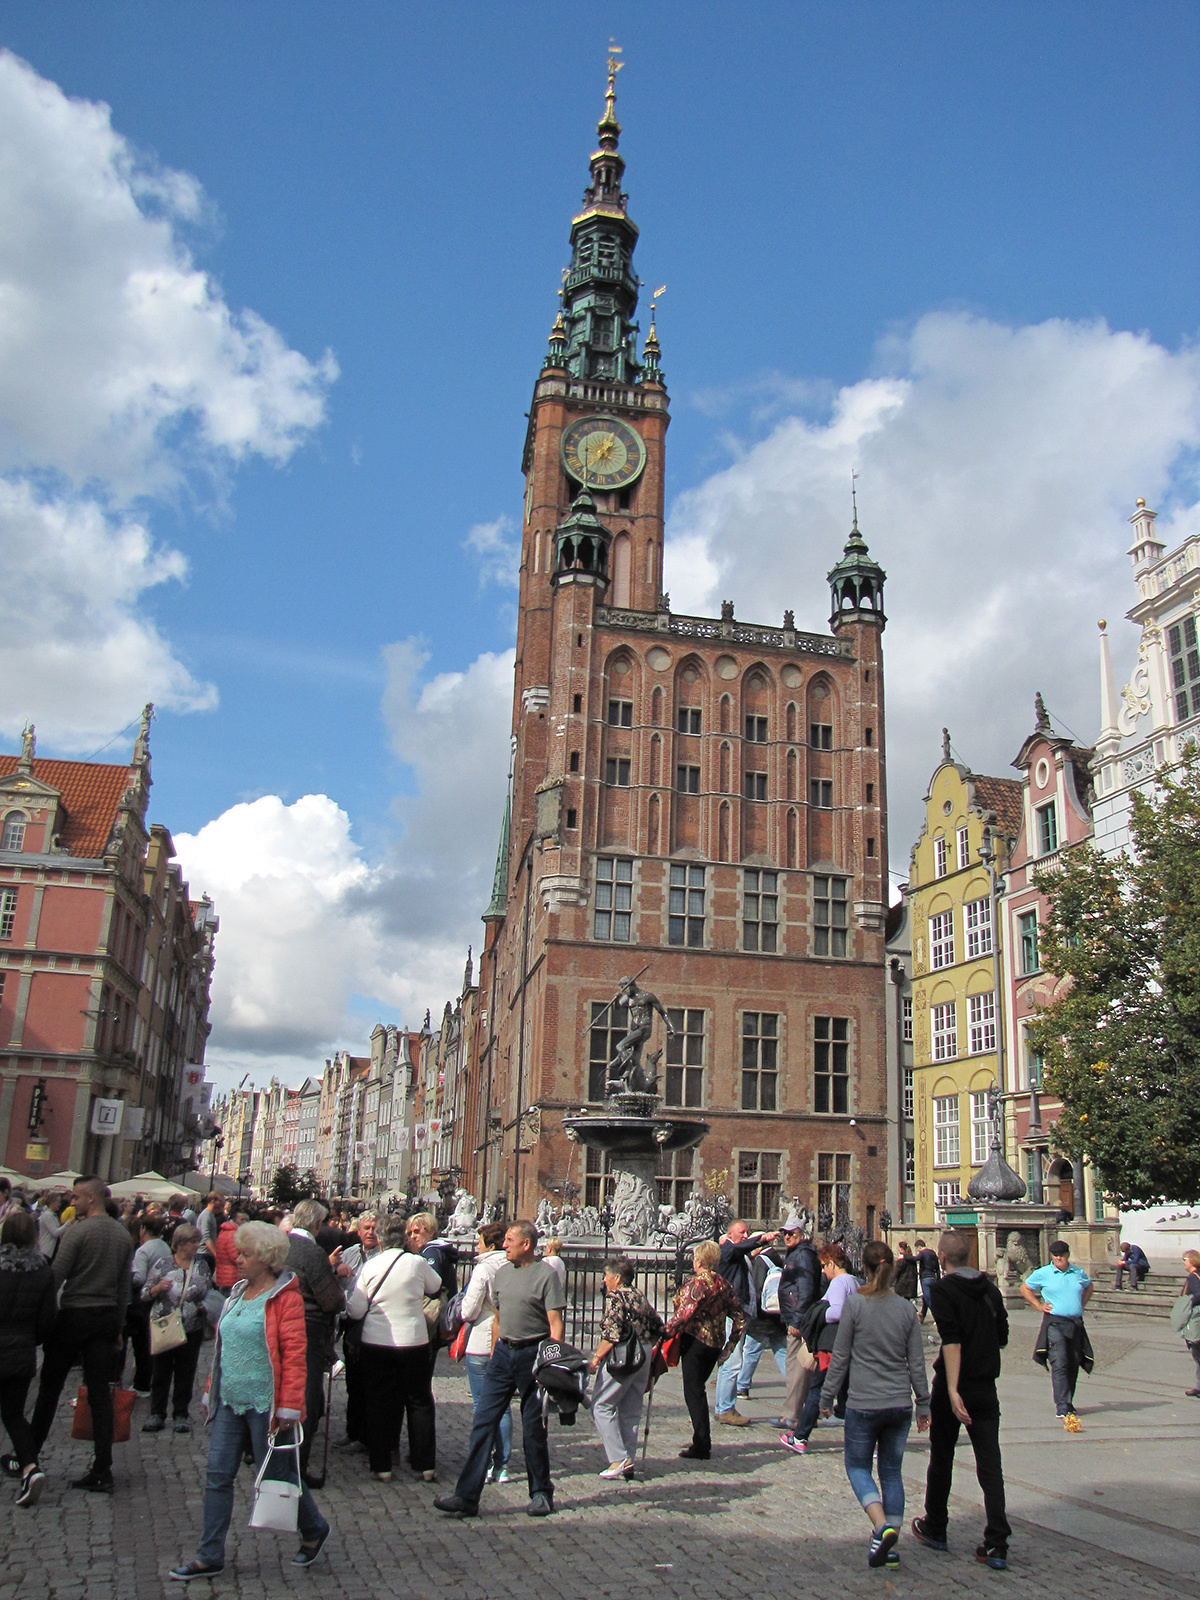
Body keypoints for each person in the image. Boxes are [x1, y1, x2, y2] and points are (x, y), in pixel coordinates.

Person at [168, 1222, 329, 1579]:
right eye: (237, 1253)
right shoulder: (237, 1293)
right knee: (217, 1475)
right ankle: (210, 1554)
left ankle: (314, 1528)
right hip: (231, 1400)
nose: (236, 1259)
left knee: (276, 1474)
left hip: (266, 1402)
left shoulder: (286, 1298)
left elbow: (294, 1356)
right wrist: (212, 1386)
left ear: (266, 1258)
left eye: (245, 1254)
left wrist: (289, 1406)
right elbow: (224, 1348)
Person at [434, 1220, 565, 1519]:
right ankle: (466, 1496)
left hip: (534, 1353)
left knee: (533, 1427)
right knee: (483, 1421)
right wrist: (495, 1354)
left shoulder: (545, 1276)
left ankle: (541, 1492)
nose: (503, 1245)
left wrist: (551, 1363)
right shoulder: (503, 1275)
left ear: (526, 1244)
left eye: (509, 1240)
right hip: (504, 1352)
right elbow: (497, 1318)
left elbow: (556, 1325)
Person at [821, 1241, 930, 1569]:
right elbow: (917, 1362)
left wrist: (826, 1397)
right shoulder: (906, 1309)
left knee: (857, 1467)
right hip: (898, 1404)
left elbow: (840, 1357)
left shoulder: (855, 1304)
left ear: (864, 1269)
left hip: (864, 1402)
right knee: (892, 1473)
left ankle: (882, 1527)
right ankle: (889, 1547)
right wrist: (923, 1404)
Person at [912, 1230, 1012, 1571]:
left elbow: (951, 1340)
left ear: (941, 1257)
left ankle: (936, 1525)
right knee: (990, 1464)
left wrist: (953, 1389)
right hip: (986, 1386)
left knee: (942, 1456)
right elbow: (1002, 1335)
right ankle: (997, 1541)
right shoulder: (990, 1289)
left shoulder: (942, 1290)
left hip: (953, 1387)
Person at [30, 1175, 133, 1493]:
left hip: (75, 1314)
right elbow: (123, 1288)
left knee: (50, 1388)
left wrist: (42, 1321)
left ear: (91, 1198)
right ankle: (103, 1467)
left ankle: (29, 1456)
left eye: (76, 1197)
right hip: (104, 1318)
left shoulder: (77, 1232)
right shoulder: (122, 1235)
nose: (71, 1203)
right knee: (100, 1394)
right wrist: (118, 1327)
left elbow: (56, 1277)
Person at [344, 1214, 442, 1483]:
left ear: (381, 1239)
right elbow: (435, 1286)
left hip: (377, 1341)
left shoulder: (372, 1266)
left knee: (379, 1402)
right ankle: (425, 1464)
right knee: (419, 1401)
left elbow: (355, 1309)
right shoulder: (417, 1262)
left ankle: (382, 1464)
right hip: (414, 1340)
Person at [663, 1239, 744, 1461]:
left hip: (696, 1341)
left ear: (699, 1260)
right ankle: (702, 1440)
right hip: (715, 1344)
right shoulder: (724, 1285)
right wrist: (730, 1344)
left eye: (695, 1258)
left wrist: (664, 1334)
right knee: (698, 1389)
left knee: (693, 1391)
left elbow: (684, 1314)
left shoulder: (697, 1285)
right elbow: (739, 1316)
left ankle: (702, 1443)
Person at [284, 1199, 345, 1483]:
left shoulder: (280, 1246)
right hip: (307, 1328)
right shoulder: (313, 1253)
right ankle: (298, 1464)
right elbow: (330, 1300)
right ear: (317, 1224)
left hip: (276, 1324)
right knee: (306, 1394)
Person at [588, 1256, 663, 1480]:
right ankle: (629, 1459)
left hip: (624, 1355)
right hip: (644, 1352)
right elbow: (658, 1325)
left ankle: (619, 1458)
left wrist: (595, 1358)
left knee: (601, 1404)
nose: (604, 1281)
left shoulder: (616, 1297)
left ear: (617, 1277)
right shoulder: (639, 1295)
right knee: (631, 1409)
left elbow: (611, 1334)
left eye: (606, 1276)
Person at [0, 1211, 56, 1505]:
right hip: (21, 1350)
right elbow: (47, 1320)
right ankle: (30, 1467)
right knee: (13, 1414)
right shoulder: (43, 1271)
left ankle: (29, 1467)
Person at [781, 1241, 857, 1455]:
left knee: (819, 1390)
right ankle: (863, 1441)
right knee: (848, 1395)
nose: (823, 1271)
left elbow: (837, 1312)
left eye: (824, 1266)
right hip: (850, 1344)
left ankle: (800, 1436)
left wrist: (817, 1315)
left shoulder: (839, 1283)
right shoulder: (855, 1282)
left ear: (833, 1264)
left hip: (832, 1344)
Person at [142, 1223, 212, 1435]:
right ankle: (157, 1413)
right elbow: (144, 1293)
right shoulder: (163, 1265)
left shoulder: (201, 1266)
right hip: (165, 1325)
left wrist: (205, 1305)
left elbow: (209, 1291)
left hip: (191, 1327)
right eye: (193, 1242)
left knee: (186, 1371)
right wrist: (157, 1289)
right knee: (161, 1370)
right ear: (180, 1244)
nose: (196, 1246)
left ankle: (180, 1413)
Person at [459, 1222, 513, 1484]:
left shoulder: (483, 1267)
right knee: (504, 1408)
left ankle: (485, 1461)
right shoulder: (516, 1264)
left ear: (490, 1245)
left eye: (479, 1242)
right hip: (510, 1340)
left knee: (483, 1406)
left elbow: (467, 1312)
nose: (476, 1246)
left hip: (482, 1341)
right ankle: (503, 1465)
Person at [1021, 1241, 1093, 1431]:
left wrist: (1081, 1304)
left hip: (1075, 1323)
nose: (1058, 1258)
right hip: (1054, 1323)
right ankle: (1062, 1405)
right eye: (1055, 1255)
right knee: (1059, 1361)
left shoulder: (1078, 1273)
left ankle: (1069, 1401)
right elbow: (1025, 1288)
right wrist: (1038, 1306)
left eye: (1061, 1255)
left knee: (1074, 1361)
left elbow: (1088, 1287)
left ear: (1068, 1255)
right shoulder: (1044, 1273)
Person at [713, 1219, 777, 1426]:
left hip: (738, 1314)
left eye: (747, 1231)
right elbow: (742, 1247)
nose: (745, 1235)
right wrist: (762, 1239)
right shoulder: (728, 1250)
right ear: (730, 1235)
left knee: (730, 1362)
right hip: (731, 1314)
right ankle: (725, 1408)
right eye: (742, 1232)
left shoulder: (737, 1254)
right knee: (732, 1362)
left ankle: (725, 1406)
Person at [777, 1213, 822, 1433]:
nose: (786, 1236)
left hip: (798, 1318)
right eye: (784, 1233)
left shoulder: (802, 1256)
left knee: (797, 1366)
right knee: (800, 1366)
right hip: (797, 1315)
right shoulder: (798, 1253)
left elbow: (805, 1291)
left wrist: (796, 1319)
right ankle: (803, 1413)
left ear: (801, 1234)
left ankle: (791, 1414)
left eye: (791, 1233)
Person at [734, 1235, 789, 1412]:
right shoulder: (777, 1258)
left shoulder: (760, 1261)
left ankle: (741, 1385)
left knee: (750, 1351)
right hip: (777, 1316)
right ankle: (794, 1381)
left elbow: (757, 1289)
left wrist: (751, 1312)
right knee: (782, 1351)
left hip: (762, 1317)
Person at [127, 1212, 173, 1396]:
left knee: (141, 1343)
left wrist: (127, 1274)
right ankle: (153, 1378)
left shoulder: (143, 1250)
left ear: (143, 1229)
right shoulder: (164, 1246)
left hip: (143, 1300)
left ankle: (142, 1383)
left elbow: (139, 1278)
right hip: (160, 1297)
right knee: (152, 1341)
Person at [1179, 1249, 1200, 1397]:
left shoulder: (1193, 1277)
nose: (1183, 1262)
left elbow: (1198, 1294)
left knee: (1197, 1353)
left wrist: (1188, 1302)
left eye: (1184, 1259)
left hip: (1197, 1320)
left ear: (1191, 1261)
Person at [211, 1216, 240, 1300]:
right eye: (242, 1219)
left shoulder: (223, 1232)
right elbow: (235, 1256)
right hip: (231, 1275)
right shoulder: (232, 1234)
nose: (245, 1222)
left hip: (223, 1274)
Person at [915, 1238, 940, 1322]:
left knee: (927, 1297)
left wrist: (905, 1257)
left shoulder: (922, 1253)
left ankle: (937, 1316)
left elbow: (915, 1259)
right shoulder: (932, 1253)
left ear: (919, 1247)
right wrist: (938, 1278)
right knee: (926, 1297)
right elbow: (937, 1266)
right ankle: (922, 1315)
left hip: (925, 1277)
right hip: (933, 1277)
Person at [36, 1192, 66, 1261]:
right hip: (46, 1249)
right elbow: (55, 1232)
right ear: (52, 1202)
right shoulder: (48, 1215)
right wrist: (67, 1224)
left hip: (49, 1250)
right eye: (58, 1202)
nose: (60, 1204)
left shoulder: (52, 1214)